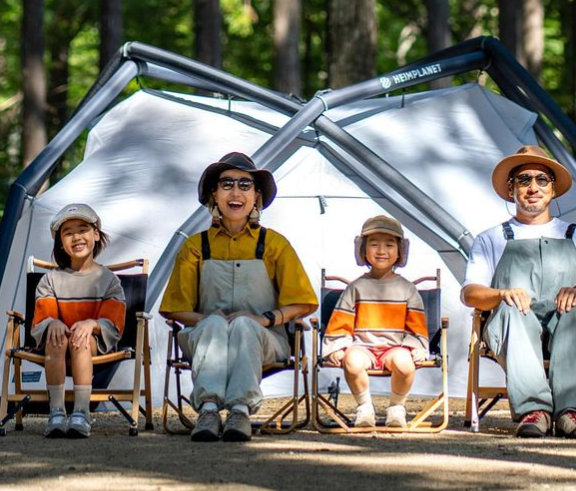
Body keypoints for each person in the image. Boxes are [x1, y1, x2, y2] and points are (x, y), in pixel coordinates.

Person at [159, 152, 318, 443]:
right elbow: (174, 309)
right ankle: (208, 410)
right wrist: (210, 318)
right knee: (216, 326)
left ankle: (240, 412)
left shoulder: (274, 244)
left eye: (245, 185)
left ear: (256, 196)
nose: (235, 192)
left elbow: (303, 302)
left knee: (245, 326)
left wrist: (262, 318)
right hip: (207, 335)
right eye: (227, 184)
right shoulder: (195, 246)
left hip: (266, 337)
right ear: (214, 195)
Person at [462, 145, 576, 439]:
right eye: (524, 180)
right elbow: (470, 293)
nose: (533, 187)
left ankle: (572, 413)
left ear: (554, 190)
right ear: (511, 190)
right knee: (511, 308)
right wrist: (501, 294)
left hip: (567, 325)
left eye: (542, 180)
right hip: (513, 326)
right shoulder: (491, 238)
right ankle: (535, 411)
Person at [322, 215, 429, 428]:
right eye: (374, 244)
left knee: (405, 363)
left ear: (400, 252)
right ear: (362, 250)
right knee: (351, 362)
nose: (381, 251)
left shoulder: (407, 289)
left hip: (395, 347)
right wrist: (338, 347)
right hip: (363, 348)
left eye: (389, 245)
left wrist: (416, 346)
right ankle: (364, 408)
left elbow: (415, 324)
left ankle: (397, 408)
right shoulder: (356, 287)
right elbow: (341, 322)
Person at [32, 203, 126, 439]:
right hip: (57, 344)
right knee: (56, 336)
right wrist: (53, 322)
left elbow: (113, 321)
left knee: (80, 338)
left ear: (95, 234)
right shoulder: (50, 280)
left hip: (91, 344)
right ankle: (56, 411)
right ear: (61, 243)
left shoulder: (108, 280)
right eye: (68, 233)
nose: (76, 237)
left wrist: (92, 324)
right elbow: (44, 316)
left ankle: (82, 412)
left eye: (82, 229)